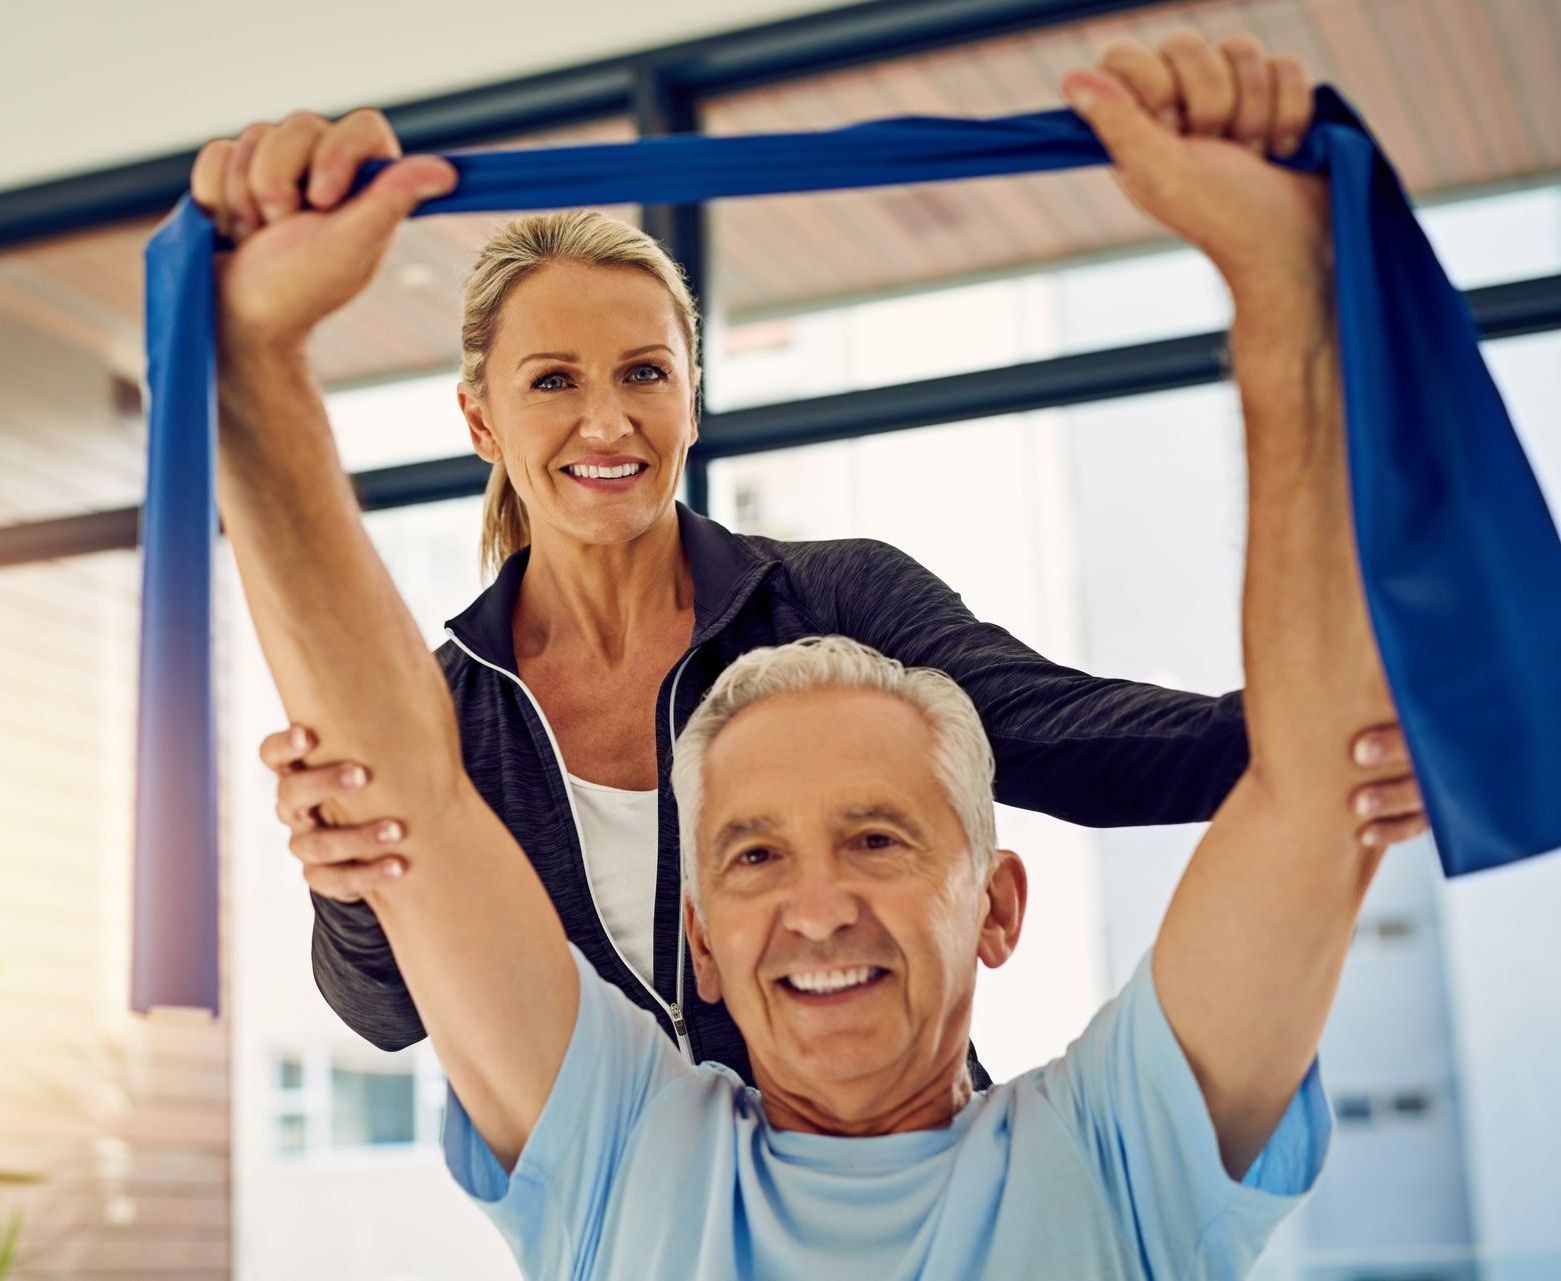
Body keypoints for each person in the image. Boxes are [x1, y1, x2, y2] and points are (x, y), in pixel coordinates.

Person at [198, 25, 1420, 1271]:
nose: (606, 416)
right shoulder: (450, 720)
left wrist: (1339, 760)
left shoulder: (836, 602)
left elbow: (1065, 735)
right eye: (553, 381)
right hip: (638, 1176)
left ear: (691, 396)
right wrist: (246, 357)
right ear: (481, 418)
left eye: (644, 373)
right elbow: (391, 946)